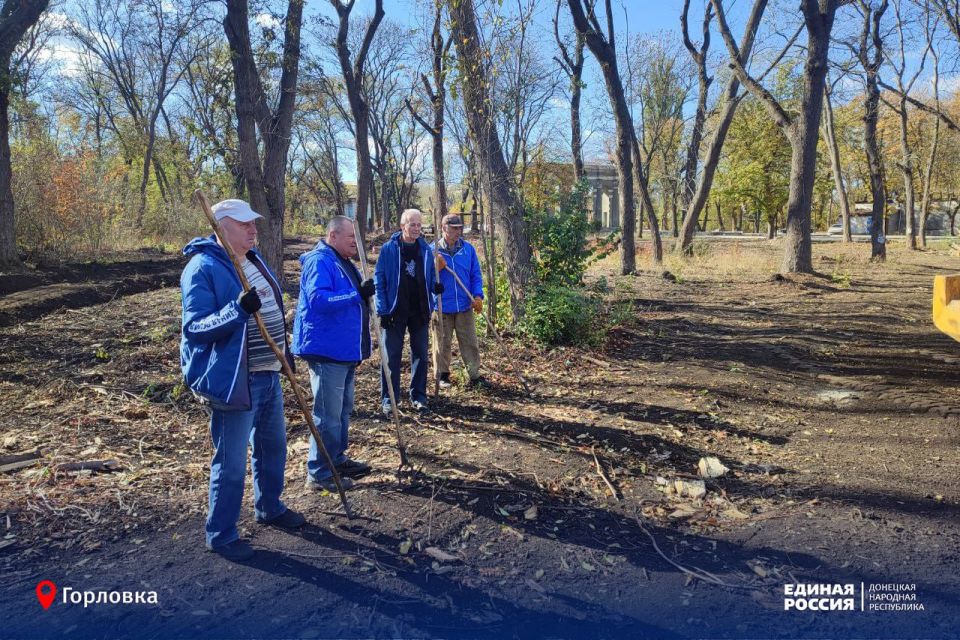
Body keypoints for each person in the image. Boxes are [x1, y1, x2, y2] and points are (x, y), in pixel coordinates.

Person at [180, 198, 305, 562]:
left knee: (273, 447)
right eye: (244, 224)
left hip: (268, 373)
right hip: (234, 380)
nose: (253, 230)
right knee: (232, 462)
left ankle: (270, 506)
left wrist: (285, 356)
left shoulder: (252, 258)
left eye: (254, 224)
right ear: (221, 227)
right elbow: (194, 328)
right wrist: (237, 310)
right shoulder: (201, 268)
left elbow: (269, 309)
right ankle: (220, 534)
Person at [292, 216, 375, 492]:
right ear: (333, 235)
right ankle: (318, 471)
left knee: (342, 410)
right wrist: (355, 295)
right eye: (351, 237)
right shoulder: (320, 261)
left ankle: (336, 458)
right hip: (327, 351)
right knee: (327, 414)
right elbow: (318, 300)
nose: (355, 242)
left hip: (345, 350)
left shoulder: (342, 261)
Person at [374, 208, 442, 413]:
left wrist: (435, 288)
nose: (416, 228)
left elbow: (430, 275)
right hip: (395, 310)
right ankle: (389, 399)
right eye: (412, 224)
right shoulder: (389, 249)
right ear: (402, 226)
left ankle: (419, 397)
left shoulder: (426, 249)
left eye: (419, 225)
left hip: (420, 310)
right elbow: (380, 280)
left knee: (421, 354)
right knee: (391, 356)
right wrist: (383, 310)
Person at [431, 213, 486, 389]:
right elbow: (424, 279)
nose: (458, 231)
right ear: (443, 228)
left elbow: (475, 275)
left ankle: (474, 375)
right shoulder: (432, 250)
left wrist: (477, 295)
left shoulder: (468, 249)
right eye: (454, 228)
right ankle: (442, 375)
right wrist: (434, 269)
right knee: (442, 343)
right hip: (442, 306)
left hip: (465, 304)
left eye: (459, 228)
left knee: (469, 342)